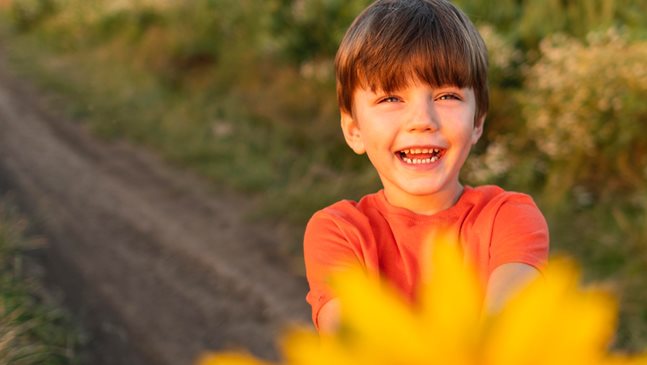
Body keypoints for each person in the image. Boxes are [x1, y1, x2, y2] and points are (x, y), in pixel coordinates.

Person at [303, 0, 550, 333]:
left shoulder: (511, 218)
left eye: (447, 96)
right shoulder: (338, 232)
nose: (422, 121)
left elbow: (503, 337)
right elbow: (353, 347)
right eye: (391, 98)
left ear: (477, 121)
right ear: (354, 130)